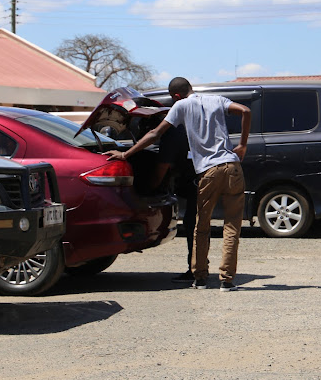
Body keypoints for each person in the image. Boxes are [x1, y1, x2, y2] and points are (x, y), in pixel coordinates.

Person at [106, 77, 251, 291]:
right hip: (233, 167)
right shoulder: (217, 100)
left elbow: (156, 133)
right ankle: (227, 281)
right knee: (232, 226)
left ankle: (200, 278)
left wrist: (126, 154)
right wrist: (243, 145)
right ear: (190, 88)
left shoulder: (180, 106)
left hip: (208, 172)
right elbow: (246, 111)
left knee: (201, 226)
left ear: (175, 95)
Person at [150, 123, 198, 284]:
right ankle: (197, 268)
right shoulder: (181, 128)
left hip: (195, 182)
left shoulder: (170, 133)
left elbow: (163, 166)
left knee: (192, 224)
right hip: (201, 178)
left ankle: (196, 270)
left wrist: (152, 188)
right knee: (195, 224)